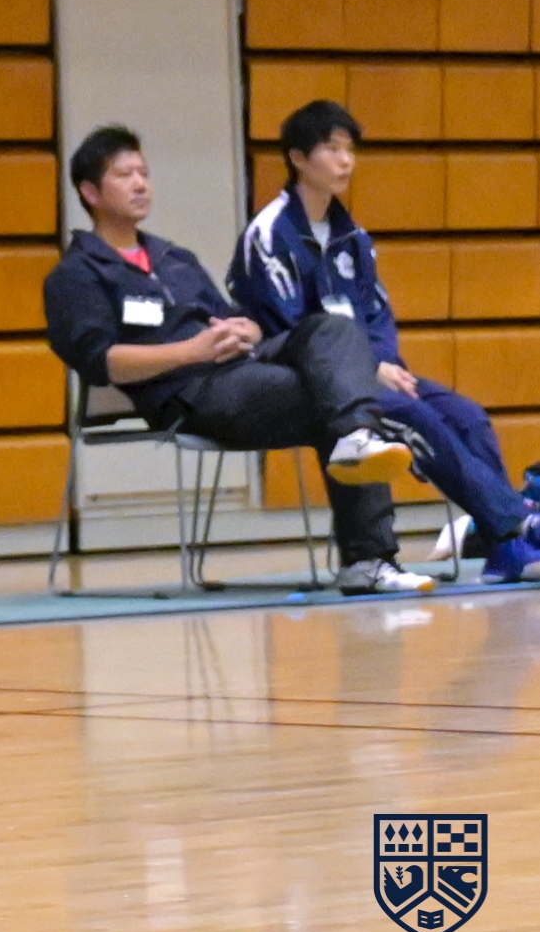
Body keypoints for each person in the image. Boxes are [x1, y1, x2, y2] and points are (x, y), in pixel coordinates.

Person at [43, 125, 429, 595]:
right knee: (335, 394)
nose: (141, 184)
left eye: (144, 173)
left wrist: (249, 329)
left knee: (334, 330)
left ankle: (357, 443)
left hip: (242, 363)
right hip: (188, 393)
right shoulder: (76, 275)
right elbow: (101, 362)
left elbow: (228, 315)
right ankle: (369, 557)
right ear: (90, 192)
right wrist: (191, 351)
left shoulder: (174, 257)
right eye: (125, 176)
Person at [227, 101, 540, 584]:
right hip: (311, 384)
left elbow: (376, 314)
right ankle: (514, 526)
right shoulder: (268, 235)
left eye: (349, 150)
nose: (345, 161)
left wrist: (385, 362)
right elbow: (289, 331)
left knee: (466, 416)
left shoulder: (352, 237)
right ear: (298, 158)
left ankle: (503, 547)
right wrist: (369, 369)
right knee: (414, 417)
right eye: (332, 149)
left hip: (373, 371)